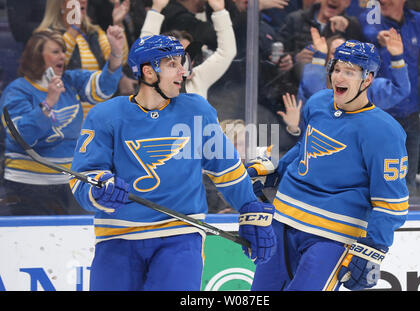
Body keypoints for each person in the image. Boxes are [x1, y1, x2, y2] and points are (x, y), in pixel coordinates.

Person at [69, 35, 276, 290]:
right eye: (172, 64)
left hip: (181, 235)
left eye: (183, 62)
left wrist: (249, 208)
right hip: (117, 236)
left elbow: (226, 168)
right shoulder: (105, 115)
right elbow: (83, 177)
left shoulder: (196, 110)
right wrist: (100, 188)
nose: (183, 71)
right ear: (148, 72)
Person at [249, 40, 409, 291]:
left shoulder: (385, 132)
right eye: (336, 69)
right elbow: (306, 149)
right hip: (281, 220)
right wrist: (274, 170)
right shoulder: (319, 103)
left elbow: (392, 203)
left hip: (332, 237)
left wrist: (374, 248)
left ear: (367, 79)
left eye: (349, 71)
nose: (339, 77)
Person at [0, 29, 123, 216]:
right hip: (28, 184)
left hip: (69, 181)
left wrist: (116, 53)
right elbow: (22, 137)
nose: (62, 56)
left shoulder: (70, 81)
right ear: (37, 56)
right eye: (55, 52)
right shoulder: (17, 90)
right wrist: (48, 103)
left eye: (63, 51)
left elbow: (103, 87)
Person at [359, 0, 420, 193]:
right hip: (377, 115)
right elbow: (367, 30)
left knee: (407, 183)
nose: (382, 1)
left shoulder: (419, 21)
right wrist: (378, 38)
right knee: (374, 180)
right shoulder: (371, 17)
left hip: (410, 114)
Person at [36, 0, 131, 114]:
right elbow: (53, 64)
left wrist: (118, 23)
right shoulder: (44, 35)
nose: (83, 1)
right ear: (60, 4)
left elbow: (120, 60)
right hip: (66, 113)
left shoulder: (94, 32)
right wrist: (74, 27)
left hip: (97, 112)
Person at [140, 0, 237, 100]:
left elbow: (227, 52)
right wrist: (156, 9)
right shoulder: (152, 83)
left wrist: (220, 11)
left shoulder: (197, 79)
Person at [297, 27, 411, 111]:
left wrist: (397, 58)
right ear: (327, 58)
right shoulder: (312, 82)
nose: (342, 58)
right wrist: (318, 59)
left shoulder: (366, 86)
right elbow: (315, 96)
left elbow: (400, 90)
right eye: (335, 53)